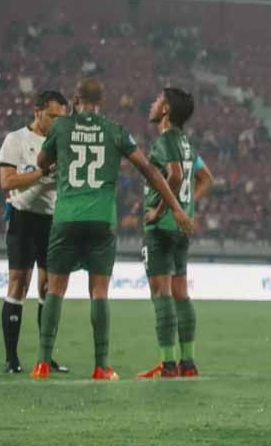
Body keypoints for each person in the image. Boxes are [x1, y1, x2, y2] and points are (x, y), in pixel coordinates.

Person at [31, 78, 193, 381]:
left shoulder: (61, 127)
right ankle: (101, 366)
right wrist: (177, 208)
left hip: (65, 217)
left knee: (55, 289)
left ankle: (41, 362)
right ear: (101, 101)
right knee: (99, 292)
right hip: (101, 221)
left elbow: (42, 161)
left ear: (76, 98)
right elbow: (149, 171)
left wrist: (59, 160)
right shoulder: (115, 130)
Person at [136, 88, 213, 379]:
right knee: (181, 293)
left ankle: (168, 365)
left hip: (161, 228)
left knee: (161, 293)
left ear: (166, 110)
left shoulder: (165, 141)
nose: (152, 103)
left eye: (157, 100)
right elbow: (207, 178)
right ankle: (188, 363)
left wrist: (158, 210)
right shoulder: (187, 144)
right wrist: (187, 206)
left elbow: (176, 174)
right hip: (181, 228)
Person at [0, 90, 70, 374]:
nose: (57, 122)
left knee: (49, 288)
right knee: (18, 283)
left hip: (53, 220)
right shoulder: (16, 140)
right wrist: (43, 172)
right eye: (53, 116)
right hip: (22, 217)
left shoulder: (63, 143)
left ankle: (45, 357)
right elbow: (7, 182)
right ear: (37, 110)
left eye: (61, 118)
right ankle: (11, 358)